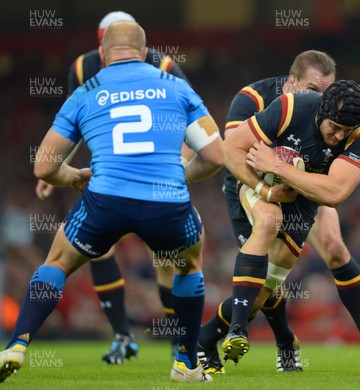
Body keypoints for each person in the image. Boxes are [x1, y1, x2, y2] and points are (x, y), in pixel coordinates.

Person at [0, 21, 223, 383]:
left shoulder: (86, 91)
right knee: (188, 265)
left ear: (103, 53)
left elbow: (44, 165)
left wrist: (71, 176)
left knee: (57, 261)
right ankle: (184, 362)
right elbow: (216, 156)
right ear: (146, 52)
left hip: (105, 201)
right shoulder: (177, 87)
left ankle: (17, 345)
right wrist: (180, 174)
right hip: (167, 203)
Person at [197, 51, 360, 374]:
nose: (322, 99)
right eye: (312, 89)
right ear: (291, 83)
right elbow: (234, 154)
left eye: (327, 91)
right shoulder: (257, 99)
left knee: (332, 249)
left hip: (306, 189)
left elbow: (334, 192)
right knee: (267, 227)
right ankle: (266, 338)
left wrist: (281, 166)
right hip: (253, 182)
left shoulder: (347, 121)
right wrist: (267, 188)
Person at [34, 11, 191, 364]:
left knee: (165, 259)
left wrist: (177, 165)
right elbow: (72, 124)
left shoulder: (161, 64)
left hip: (156, 171)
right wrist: (56, 167)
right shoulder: (81, 68)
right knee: (98, 249)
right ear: (102, 45)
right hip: (112, 173)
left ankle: (174, 339)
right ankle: (123, 335)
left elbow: (185, 116)